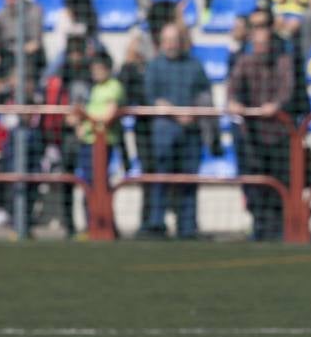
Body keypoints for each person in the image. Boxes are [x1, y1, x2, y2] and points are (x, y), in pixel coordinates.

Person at [227, 11, 297, 241]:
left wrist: (275, 106)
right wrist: (234, 103)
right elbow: (233, 89)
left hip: (278, 135)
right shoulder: (245, 62)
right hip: (254, 138)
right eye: (257, 44)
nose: (261, 48)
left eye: (265, 44)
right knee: (256, 186)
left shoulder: (284, 61)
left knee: (279, 185)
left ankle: (280, 230)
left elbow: (287, 92)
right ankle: (259, 228)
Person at [140, 22, 211, 239]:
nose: (171, 45)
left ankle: (187, 226)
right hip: (164, 132)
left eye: (174, 40)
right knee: (161, 179)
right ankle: (156, 224)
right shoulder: (154, 66)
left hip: (191, 133)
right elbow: (152, 98)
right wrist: (176, 113)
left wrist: (194, 112)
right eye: (167, 40)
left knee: (189, 180)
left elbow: (204, 94)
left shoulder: (194, 65)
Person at [69, 53, 126, 206]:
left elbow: (108, 115)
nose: (95, 73)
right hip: (88, 141)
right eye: (93, 69)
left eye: (99, 69)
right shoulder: (94, 88)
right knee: (88, 184)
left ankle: (101, 225)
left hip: (102, 142)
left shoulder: (114, 86)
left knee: (98, 184)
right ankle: (92, 225)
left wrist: (86, 117)